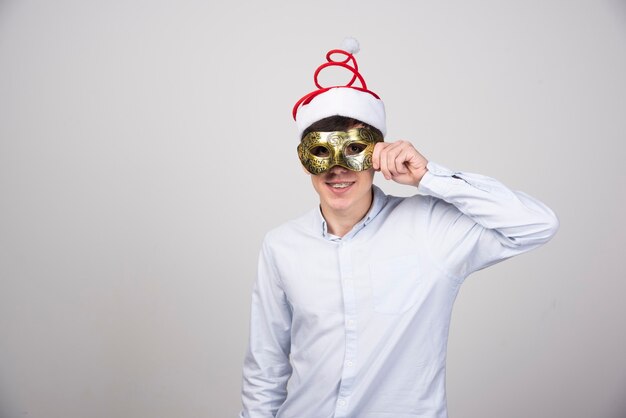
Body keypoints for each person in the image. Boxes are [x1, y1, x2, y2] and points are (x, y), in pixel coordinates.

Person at [239, 38, 558, 418]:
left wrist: (430, 176)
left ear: (377, 157)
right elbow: (266, 366)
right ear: (305, 161)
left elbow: (537, 224)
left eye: (355, 152)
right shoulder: (281, 245)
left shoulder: (430, 228)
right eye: (322, 153)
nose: (337, 170)